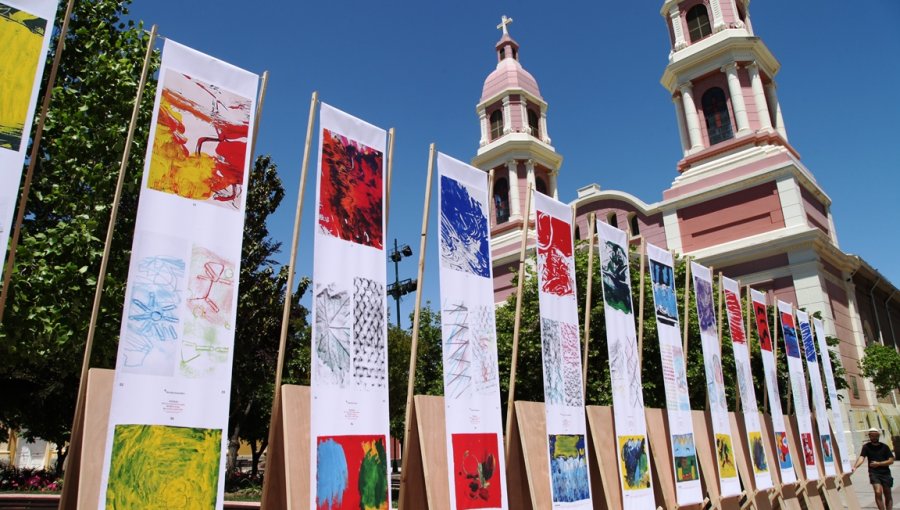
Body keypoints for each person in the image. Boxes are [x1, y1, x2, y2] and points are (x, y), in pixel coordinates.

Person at [852, 427, 895, 510]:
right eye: (872, 436)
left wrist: (879, 463)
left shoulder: (884, 447)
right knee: (878, 492)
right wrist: (854, 467)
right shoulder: (866, 447)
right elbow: (861, 457)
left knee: (887, 493)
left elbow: (891, 460)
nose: (874, 437)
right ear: (869, 436)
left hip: (885, 473)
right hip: (874, 473)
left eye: (875, 436)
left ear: (878, 436)